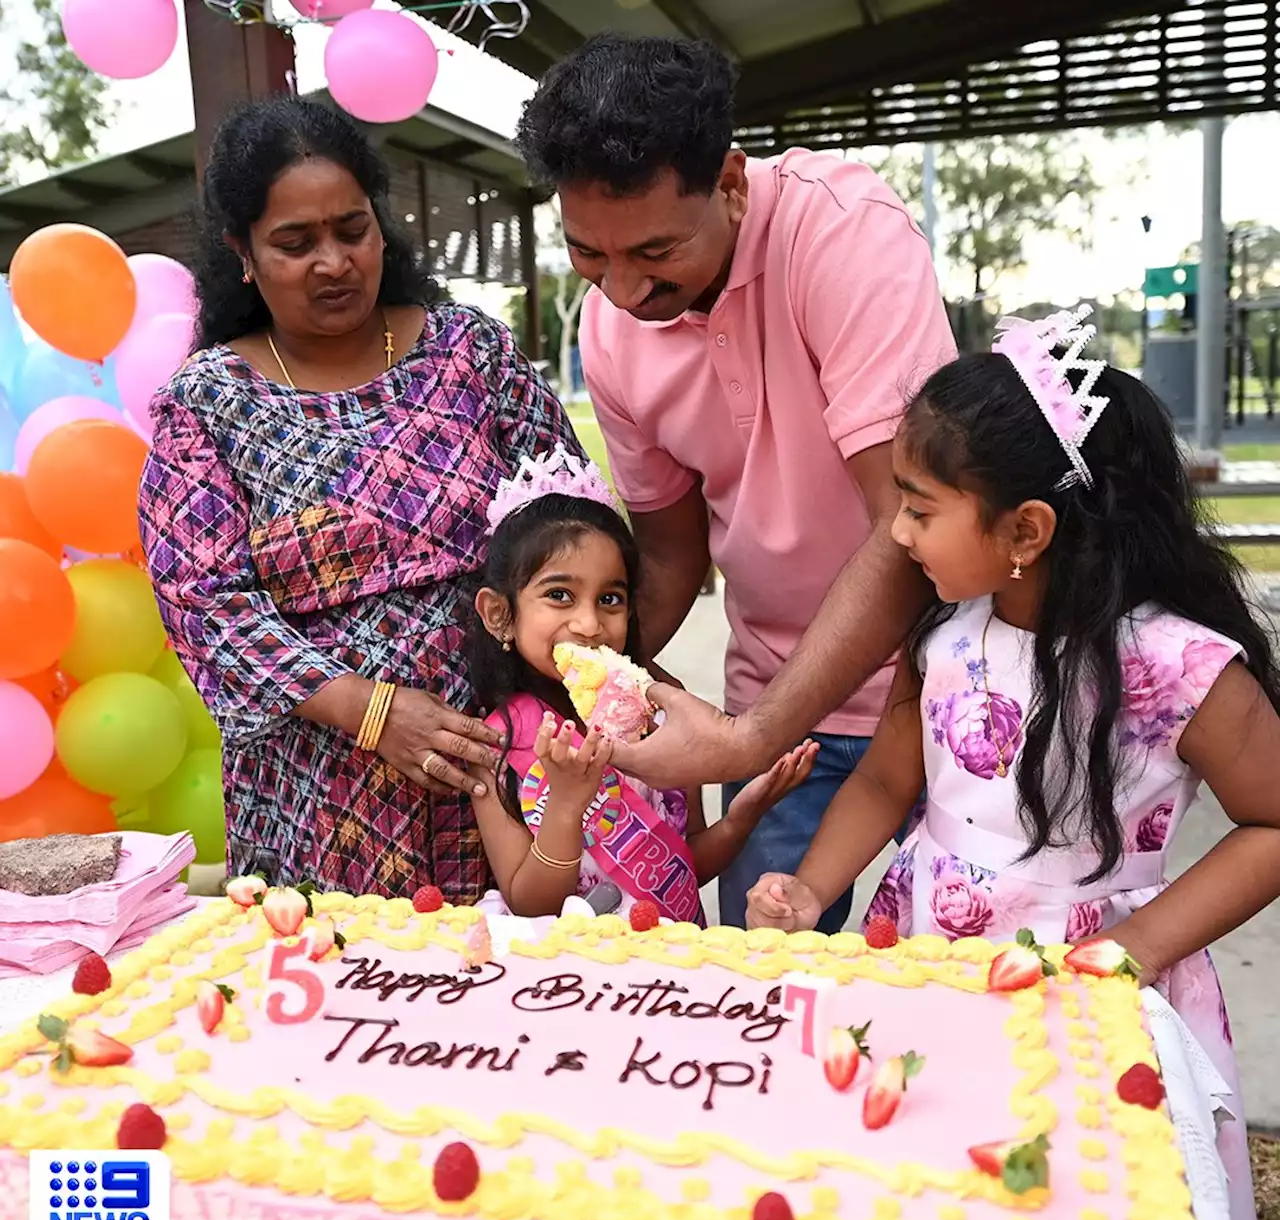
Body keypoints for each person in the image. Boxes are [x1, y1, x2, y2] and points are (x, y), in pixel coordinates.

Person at [745, 307, 1279, 1220]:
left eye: (918, 505)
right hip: (931, 959)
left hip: (1101, 988)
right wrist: (814, 888)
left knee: (1081, 1213)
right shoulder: (945, 636)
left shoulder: (1174, 664)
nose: (897, 532)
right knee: (939, 1208)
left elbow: (1275, 819)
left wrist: (1138, 946)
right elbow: (884, 782)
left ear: (1026, 528)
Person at [515, 34, 955, 930]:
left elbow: (907, 527)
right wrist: (577, 675)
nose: (627, 291)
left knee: (970, 992)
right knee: (762, 983)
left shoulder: (843, 235)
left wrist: (749, 738)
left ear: (730, 182)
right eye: (590, 256)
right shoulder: (608, 332)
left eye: (654, 251)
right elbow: (673, 557)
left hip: (943, 696)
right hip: (772, 699)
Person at [137, 98, 584, 901]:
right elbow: (206, 610)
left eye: (351, 229)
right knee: (338, 1009)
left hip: (501, 766)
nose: (333, 262)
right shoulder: (206, 403)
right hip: (314, 794)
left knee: (514, 1002)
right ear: (243, 253)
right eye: (294, 243)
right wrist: (373, 714)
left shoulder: (468, 353)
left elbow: (572, 526)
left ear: (382, 226)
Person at [466, 443, 818, 920]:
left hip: (670, 970)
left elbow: (683, 868)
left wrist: (741, 818)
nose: (589, 623)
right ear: (499, 613)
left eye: (610, 598)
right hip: (574, 978)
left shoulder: (661, 721)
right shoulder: (496, 745)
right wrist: (567, 805)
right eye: (560, 595)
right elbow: (531, 903)